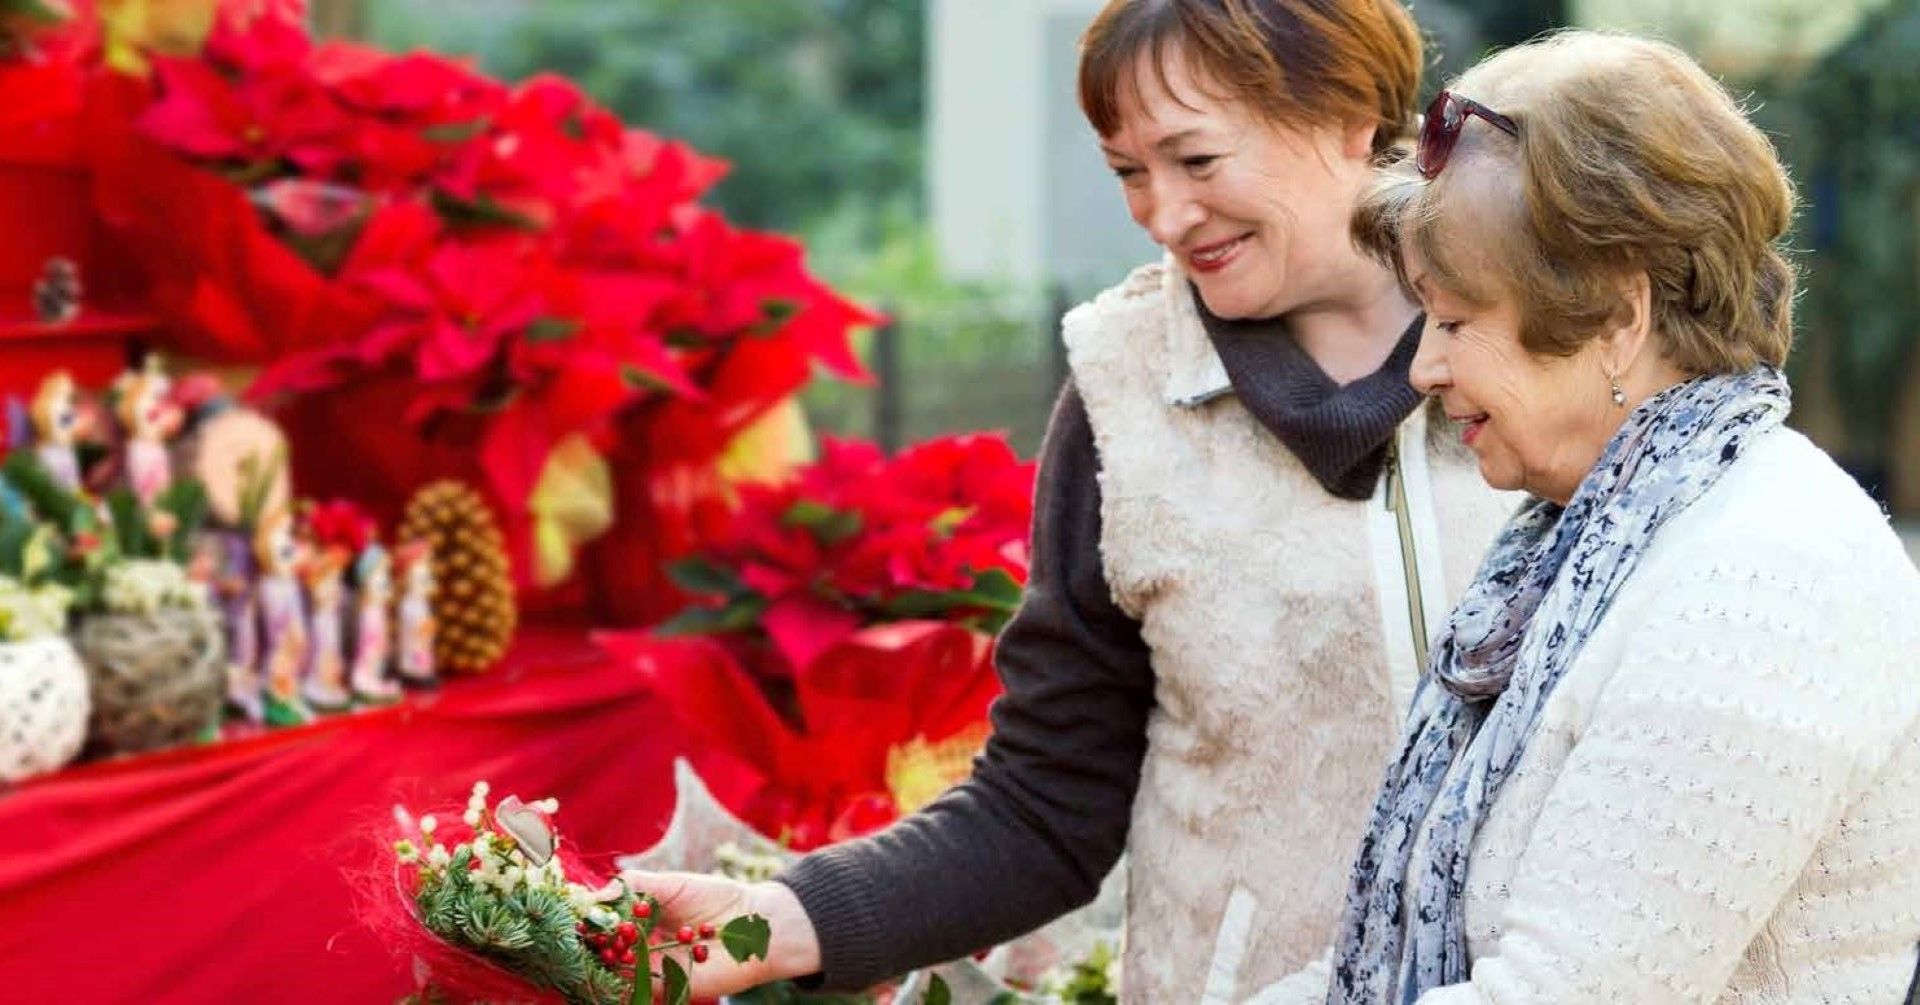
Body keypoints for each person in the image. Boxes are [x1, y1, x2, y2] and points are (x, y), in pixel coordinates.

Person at [626, 2, 1518, 999]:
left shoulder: (1553, 333)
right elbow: (1044, 806)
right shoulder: (1125, 391)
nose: (1165, 215)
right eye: (1130, 172)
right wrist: (785, 919)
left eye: (1196, 160)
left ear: (1350, 117)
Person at [1248, 30, 1920, 1005]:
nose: (1425, 368)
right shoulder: (1596, 537)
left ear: (1616, 314)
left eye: (1456, 319)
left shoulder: (1763, 578)